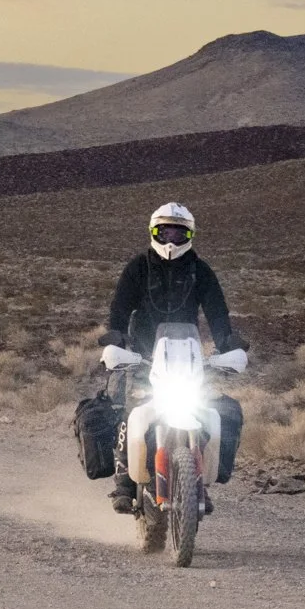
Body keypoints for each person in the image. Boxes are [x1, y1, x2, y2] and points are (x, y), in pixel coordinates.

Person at [101, 202, 244, 512]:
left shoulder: (199, 270)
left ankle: (198, 479)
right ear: (154, 231)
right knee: (129, 411)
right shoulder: (138, 267)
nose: (171, 238)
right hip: (142, 355)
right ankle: (125, 483)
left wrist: (228, 342)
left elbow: (217, 311)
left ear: (189, 235)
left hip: (186, 358)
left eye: (179, 232)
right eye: (165, 230)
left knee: (209, 412)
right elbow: (120, 307)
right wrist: (115, 336)